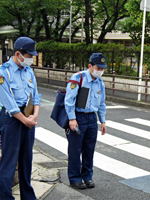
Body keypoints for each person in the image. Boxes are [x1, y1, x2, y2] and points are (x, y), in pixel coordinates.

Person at [0, 37, 41, 200]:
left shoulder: (29, 71)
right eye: (29, 56)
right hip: (12, 119)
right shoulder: (2, 72)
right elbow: (8, 102)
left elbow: (35, 95)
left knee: (26, 159)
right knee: (9, 160)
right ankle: (7, 197)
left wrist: (35, 115)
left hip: (28, 117)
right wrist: (25, 120)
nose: (31, 59)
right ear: (18, 53)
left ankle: (28, 196)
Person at [65, 53, 107, 189]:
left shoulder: (100, 82)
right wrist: (72, 119)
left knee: (89, 149)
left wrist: (103, 121)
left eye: (102, 68)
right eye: (98, 68)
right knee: (75, 149)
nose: (100, 71)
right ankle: (75, 178)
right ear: (90, 66)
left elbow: (102, 103)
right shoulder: (78, 78)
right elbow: (69, 100)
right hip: (78, 117)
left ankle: (87, 176)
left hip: (91, 118)